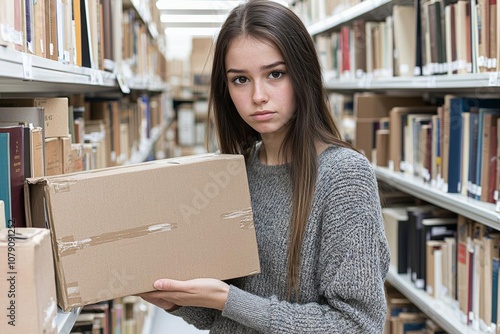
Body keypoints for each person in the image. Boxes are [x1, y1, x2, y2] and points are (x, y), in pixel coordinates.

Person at [138, 0, 390, 332]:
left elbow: (357, 325)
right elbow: (225, 316)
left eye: (275, 74)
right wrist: (177, 300)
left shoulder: (344, 176)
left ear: (303, 74)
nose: (258, 95)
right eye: (240, 79)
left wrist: (228, 299)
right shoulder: (231, 173)